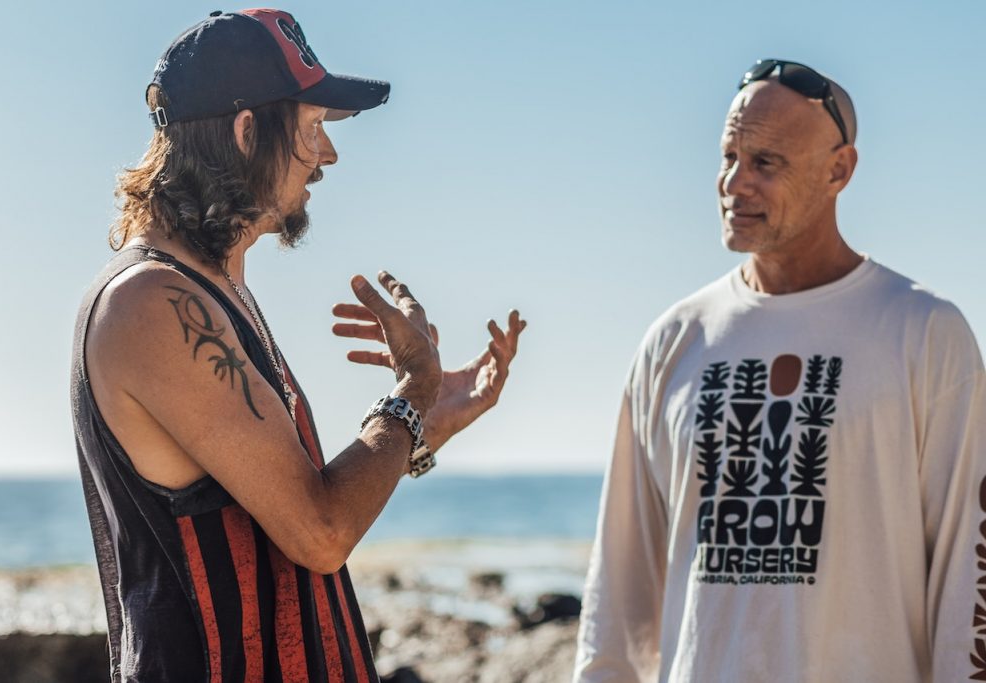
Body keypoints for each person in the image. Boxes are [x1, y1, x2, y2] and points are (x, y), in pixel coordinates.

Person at [70, 9, 526, 682]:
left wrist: (422, 424)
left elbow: (284, 500)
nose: (329, 153)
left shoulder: (214, 292)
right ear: (247, 129)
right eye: (312, 127)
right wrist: (410, 391)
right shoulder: (152, 305)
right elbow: (320, 531)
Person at [573, 59, 985, 682]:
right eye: (729, 156)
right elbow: (620, 584)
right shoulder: (675, 341)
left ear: (839, 169)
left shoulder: (924, 333)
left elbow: (968, 577)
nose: (735, 184)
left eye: (766, 163)